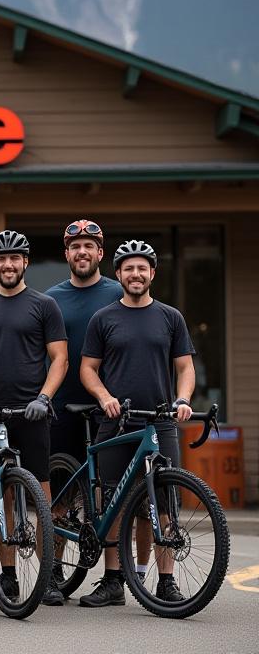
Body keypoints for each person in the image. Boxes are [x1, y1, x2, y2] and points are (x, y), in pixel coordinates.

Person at [79, 239, 195, 608]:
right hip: (116, 421)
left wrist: (183, 400)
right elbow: (88, 369)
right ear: (119, 274)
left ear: (152, 274)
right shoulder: (104, 318)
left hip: (160, 421)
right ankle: (113, 581)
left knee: (161, 504)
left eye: (142, 267)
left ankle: (162, 580)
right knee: (112, 500)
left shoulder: (170, 316)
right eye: (128, 268)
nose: (135, 273)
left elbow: (185, 367)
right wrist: (104, 398)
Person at [0, 229, 68, 606]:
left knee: (40, 493)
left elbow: (60, 359)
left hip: (32, 411)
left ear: (25, 262)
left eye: (15, 258)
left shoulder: (44, 306)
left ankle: (50, 575)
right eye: (1, 258)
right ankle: (6, 578)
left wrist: (44, 397)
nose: (7, 264)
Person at [45, 220, 121, 462]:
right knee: (63, 486)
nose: (82, 252)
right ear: (66, 254)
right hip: (61, 406)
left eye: (89, 245)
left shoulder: (119, 293)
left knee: (109, 482)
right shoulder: (51, 300)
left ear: (100, 253)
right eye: (75, 247)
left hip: (111, 402)